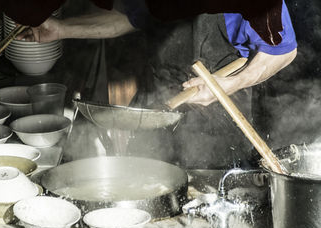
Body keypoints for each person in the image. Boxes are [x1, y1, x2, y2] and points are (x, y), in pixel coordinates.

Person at [16, 0, 297, 168]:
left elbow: (284, 50)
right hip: (157, 105)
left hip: (219, 119)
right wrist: (63, 29)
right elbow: (128, 19)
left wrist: (227, 85)